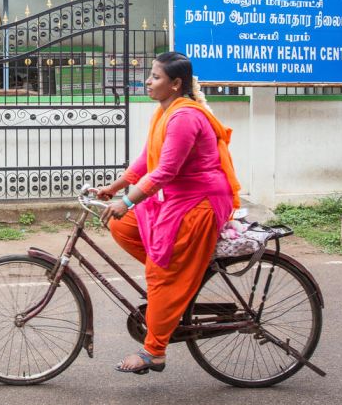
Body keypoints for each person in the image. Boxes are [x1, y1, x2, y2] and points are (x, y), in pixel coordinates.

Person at [96, 51, 241, 375]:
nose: (148, 81)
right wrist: (114, 187)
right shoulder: (164, 112)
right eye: (151, 75)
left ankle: (154, 351)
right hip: (177, 197)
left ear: (175, 84)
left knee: (159, 270)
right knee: (124, 228)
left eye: (156, 77)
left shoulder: (185, 117)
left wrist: (127, 201)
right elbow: (147, 160)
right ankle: (175, 284)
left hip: (200, 201)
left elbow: (165, 171)